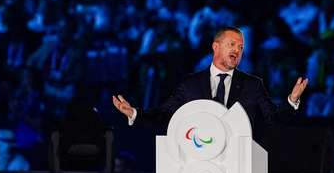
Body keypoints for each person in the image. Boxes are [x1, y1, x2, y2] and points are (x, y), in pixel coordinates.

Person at [112, 27, 308, 144]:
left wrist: (291, 101)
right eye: (232, 45)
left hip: (238, 160)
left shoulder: (252, 84)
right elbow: (165, 114)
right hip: (198, 158)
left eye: (240, 47)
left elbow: (272, 118)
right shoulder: (191, 84)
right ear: (216, 47)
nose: (237, 50)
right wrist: (134, 114)